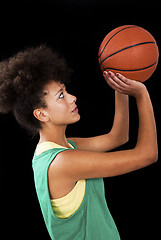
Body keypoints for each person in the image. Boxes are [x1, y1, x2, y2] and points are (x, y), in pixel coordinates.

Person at [0, 45, 158, 240]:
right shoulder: (63, 162)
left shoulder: (64, 148)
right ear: (41, 114)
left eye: (66, 91)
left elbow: (118, 137)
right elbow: (147, 154)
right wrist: (142, 95)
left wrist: (121, 83)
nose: (73, 98)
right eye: (61, 96)